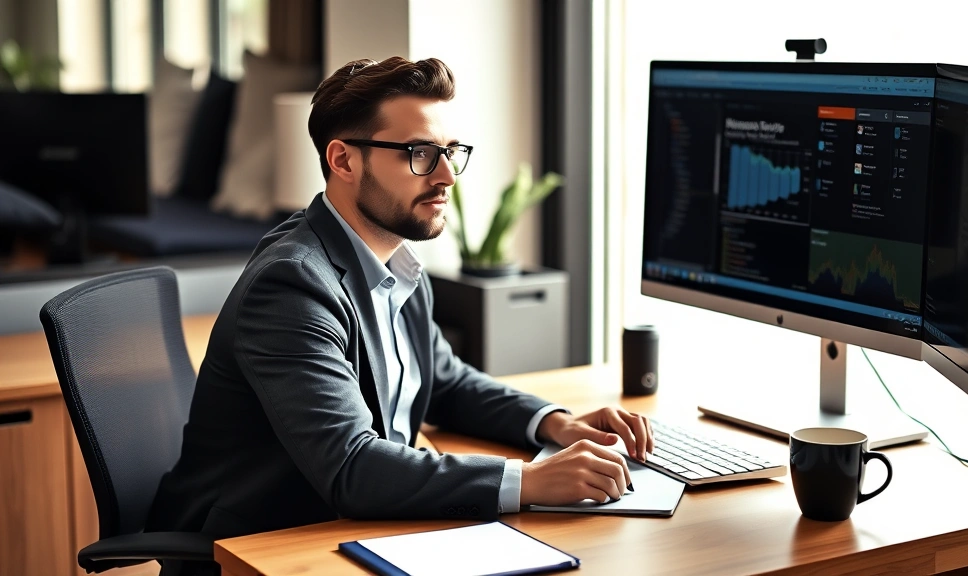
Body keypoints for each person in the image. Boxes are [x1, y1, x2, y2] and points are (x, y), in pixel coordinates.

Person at [146, 56, 654, 574]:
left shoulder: (397, 265)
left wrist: (556, 423)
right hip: (262, 549)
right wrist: (529, 481)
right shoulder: (292, 285)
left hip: (350, 528)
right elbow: (351, 465)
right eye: (420, 154)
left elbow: (448, 383)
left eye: (450, 153)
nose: (447, 176)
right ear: (344, 161)